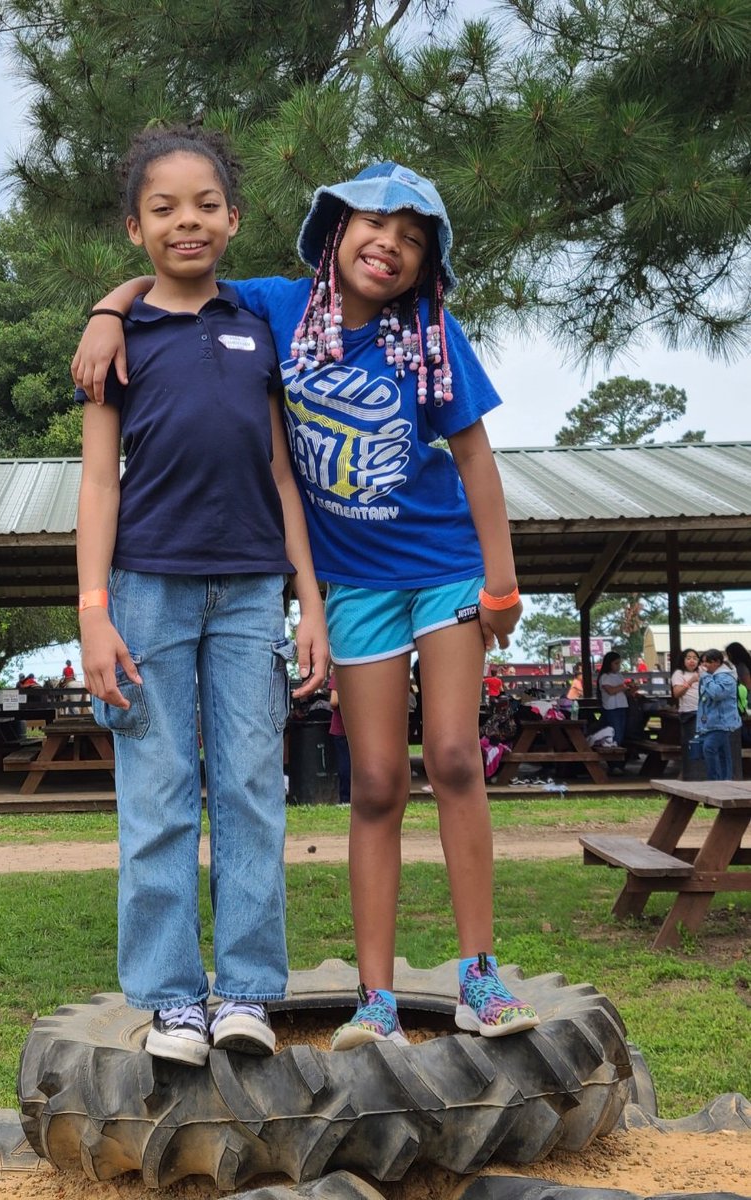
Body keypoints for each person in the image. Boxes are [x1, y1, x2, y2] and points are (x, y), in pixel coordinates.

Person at [73, 159, 539, 1045]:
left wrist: (502, 582)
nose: (388, 246)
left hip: (439, 566)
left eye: (410, 239)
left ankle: (481, 974)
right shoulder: (277, 309)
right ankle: (376, 998)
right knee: (371, 779)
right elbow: (176, 270)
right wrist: (106, 309)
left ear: (427, 262)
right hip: (350, 579)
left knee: (450, 757)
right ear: (332, 232)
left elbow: (477, 457)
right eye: (373, 226)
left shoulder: (431, 333)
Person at [76, 126, 327, 1068]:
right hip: (145, 594)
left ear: (235, 217)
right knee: (159, 797)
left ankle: (250, 992)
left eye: (205, 204)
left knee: (254, 793)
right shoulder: (119, 340)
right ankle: (173, 1000)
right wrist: (93, 612)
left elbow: (282, 471)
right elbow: (99, 484)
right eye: (164, 207)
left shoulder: (260, 327)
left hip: (255, 591)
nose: (188, 220)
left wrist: (311, 601)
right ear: (135, 227)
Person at [696, 649, 740, 780]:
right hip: (710, 723)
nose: (704, 666)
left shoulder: (727, 677)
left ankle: (714, 781)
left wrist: (705, 677)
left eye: (706, 662)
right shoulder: (711, 676)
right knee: (723, 754)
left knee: (709, 748)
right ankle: (726, 781)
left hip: (722, 723)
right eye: (702, 662)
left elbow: (717, 694)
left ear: (717, 662)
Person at [596, 652, 636, 754]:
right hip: (611, 708)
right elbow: (610, 691)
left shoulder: (619, 676)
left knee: (621, 733)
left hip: (622, 706)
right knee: (614, 733)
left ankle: (617, 760)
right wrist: (623, 686)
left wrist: (632, 689)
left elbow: (625, 693)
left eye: (619, 663)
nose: (618, 666)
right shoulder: (604, 677)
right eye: (616, 663)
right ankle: (613, 761)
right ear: (609, 664)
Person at [328, 673, 351, 805]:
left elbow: (334, 701)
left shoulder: (338, 673)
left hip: (341, 727)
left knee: (345, 763)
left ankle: (346, 798)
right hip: (359, 728)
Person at [670, 648, 701, 743]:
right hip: (689, 712)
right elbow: (677, 693)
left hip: (703, 711)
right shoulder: (679, 673)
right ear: (683, 660)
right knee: (692, 740)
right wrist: (691, 681)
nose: (692, 661)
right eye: (688, 658)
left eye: (695, 658)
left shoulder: (701, 672)